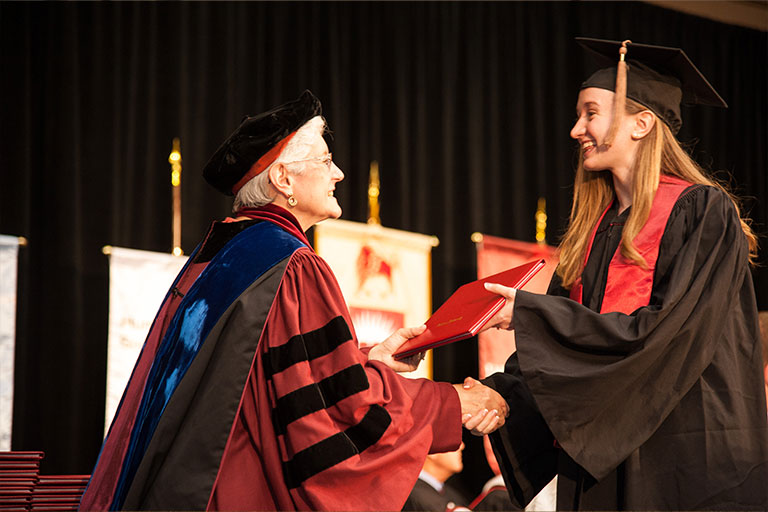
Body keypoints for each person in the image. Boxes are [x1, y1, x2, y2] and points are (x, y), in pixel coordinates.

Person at [79, 90, 508, 511]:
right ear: (284, 179)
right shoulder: (293, 265)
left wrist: (368, 359)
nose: (338, 172)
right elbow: (337, 410)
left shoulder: (224, 255)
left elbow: (279, 381)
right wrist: (451, 402)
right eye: (324, 161)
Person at [467, 39, 768, 510]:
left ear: (641, 124)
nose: (575, 130)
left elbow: (667, 333)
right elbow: (564, 351)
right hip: (604, 457)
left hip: (684, 458)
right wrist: (501, 395)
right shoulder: (593, 232)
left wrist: (531, 313)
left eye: (590, 114)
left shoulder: (703, 212)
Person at [403, 443, 468, 512]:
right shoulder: (409, 493)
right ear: (432, 452)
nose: (462, 446)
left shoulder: (453, 494)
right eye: (452, 440)